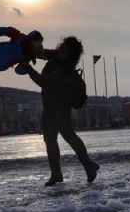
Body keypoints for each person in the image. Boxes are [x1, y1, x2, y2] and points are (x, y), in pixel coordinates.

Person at [20, 36, 99, 186]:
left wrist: (28, 68)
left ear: (71, 55)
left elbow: (43, 82)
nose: (61, 50)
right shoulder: (55, 56)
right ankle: (58, 173)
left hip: (60, 108)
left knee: (68, 136)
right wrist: (26, 48)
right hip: (48, 107)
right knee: (51, 140)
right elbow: (41, 53)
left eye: (65, 50)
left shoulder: (65, 71)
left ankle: (88, 166)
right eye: (61, 47)